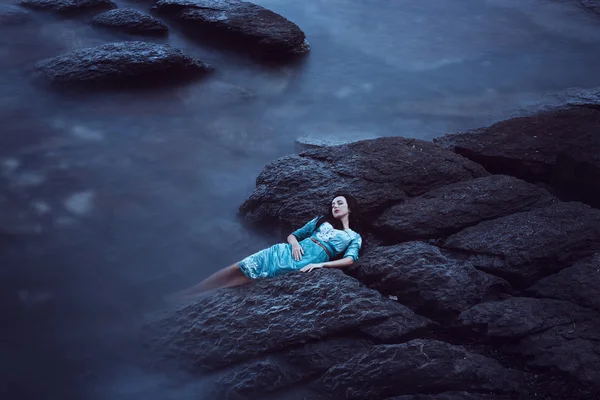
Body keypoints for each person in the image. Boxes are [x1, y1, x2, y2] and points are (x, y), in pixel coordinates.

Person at [169, 194, 363, 301]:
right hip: (284, 251)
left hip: (306, 262)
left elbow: (350, 259)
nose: (334, 206)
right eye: (332, 204)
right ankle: (188, 292)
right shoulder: (320, 220)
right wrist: (294, 244)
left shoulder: (353, 236)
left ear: (350, 208)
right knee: (240, 266)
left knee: (244, 280)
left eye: (339, 203)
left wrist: (322, 266)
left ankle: (191, 299)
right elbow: (293, 235)